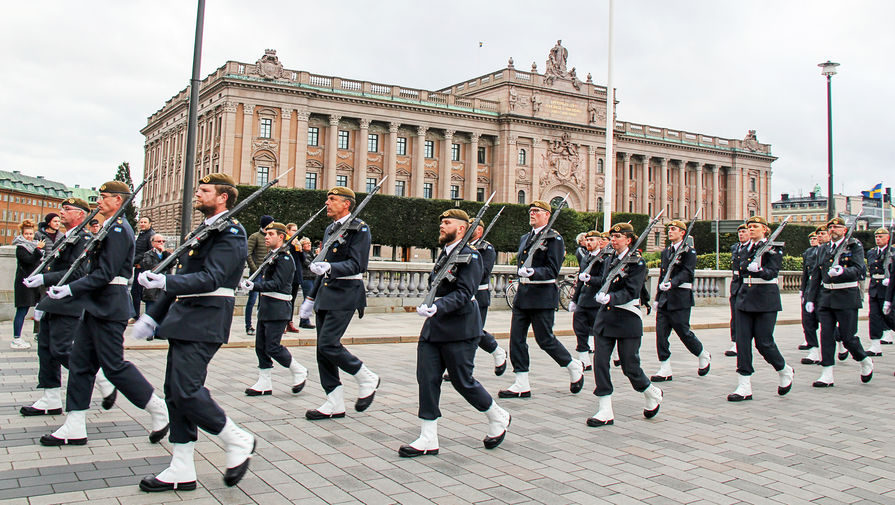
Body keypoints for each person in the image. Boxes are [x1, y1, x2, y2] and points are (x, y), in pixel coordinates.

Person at [135, 173, 255, 492]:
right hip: (186, 317)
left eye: (204, 191)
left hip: (207, 317)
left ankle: (236, 439)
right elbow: (185, 275)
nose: (197, 194)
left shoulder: (231, 231)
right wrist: (153, 316)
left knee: (187, 389)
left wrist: (165, 282)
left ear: (223, 197)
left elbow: (212, 277)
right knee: (175, 393)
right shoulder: (204, 229)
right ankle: (182, 467)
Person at [38, 182, 168, 448]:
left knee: (113, 365)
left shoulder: (120, 229)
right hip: (96, 304)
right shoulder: (109, 226)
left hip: (110, 305)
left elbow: (106, 273)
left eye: (104, 197)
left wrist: (70, 288)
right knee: (80, 364)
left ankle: (158, 408)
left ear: (118, 200)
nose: (99, 200)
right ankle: (74, 425)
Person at [400, 209, 511, 457]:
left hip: (460, 327)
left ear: (461, 229)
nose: (442, 225)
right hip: (434, 327)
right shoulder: (444, 254)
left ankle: (497, 416)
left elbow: (464, 293)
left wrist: (437, 306)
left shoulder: (470, 256)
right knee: (427, 379)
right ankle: (428, 437)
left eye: (447, 222)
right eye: (441, 221)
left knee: (463, 381)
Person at [21, 198, 118, 416]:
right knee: (45, 349)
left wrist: (44, 278)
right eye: (62, 209)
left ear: (81, 215)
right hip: (55, 300)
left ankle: (102, 378)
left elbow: (78, 272)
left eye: (67, 210)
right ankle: (50, 397)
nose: (61, 213)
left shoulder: (84, 239)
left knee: (62, 349)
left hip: (71, 301)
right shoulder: (67, 237)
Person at [301, 186, 380, 420]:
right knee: (321, 351)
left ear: (346, 204)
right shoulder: (330, 229)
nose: (327, 203)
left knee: (328, 344)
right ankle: (334, 401)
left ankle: (366, 376)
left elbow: (358, 264)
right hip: (326, 292)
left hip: (346, 292)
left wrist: (331, 267)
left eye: (333, 199)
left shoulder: (359, 228)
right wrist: (310, 298)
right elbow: (321, 266)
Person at [499, 200, 584, 399]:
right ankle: (521, 382)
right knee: (516, 339)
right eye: (531, 211)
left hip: (542, 294)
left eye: (537, 211)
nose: (532, 213)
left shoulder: (554, 239)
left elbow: (553, 269)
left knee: (545, 339)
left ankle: (573, 366)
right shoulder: (525, 238)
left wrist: (533, 272)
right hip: (523, 295)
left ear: (547, 215)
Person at [586, 222, 663, 426]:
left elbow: (631, 290)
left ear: (628, 240)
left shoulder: (637, 263)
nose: (613, 240)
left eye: (618, 237)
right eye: (612, 236)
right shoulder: (610, 258)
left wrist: (611, 298)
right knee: (600, 362)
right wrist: (593, 284)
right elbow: (604, 280)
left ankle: (650, 391)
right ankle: (605, 409)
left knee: (630, 366)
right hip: (606, 318)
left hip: (627, 317)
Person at [726, 216, 794, 401]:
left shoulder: (774, 248)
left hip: (765, 298)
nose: (751, 229)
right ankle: (744, 384)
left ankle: (784, 369)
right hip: (744, 298)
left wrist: (760, 271)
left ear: (765, 230)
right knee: (742, 341)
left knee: (764, 343)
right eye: (749, 227)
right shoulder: (745, 249)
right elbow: (740, 272)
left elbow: (773, 272)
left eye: (755, 226)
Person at [240, 221, 308, 396]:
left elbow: (277, 284)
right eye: (266, 233)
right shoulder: (272, 256)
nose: (266, 237)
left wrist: (255, 287)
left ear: (281, 237)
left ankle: (298, 370)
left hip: (278, 307)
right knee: (260, 347)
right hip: (267, 306)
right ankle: (264, 382)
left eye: (271, 234)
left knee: (272, 346)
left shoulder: (285, 258)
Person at [804, 216, 873, 387]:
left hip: (847, 296)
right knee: (826, 335)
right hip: (826, 296)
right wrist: (810, 298)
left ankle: (864, 360)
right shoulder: (824, 248)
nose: (833, 230)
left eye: (836, 227)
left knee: (847, 337)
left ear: (844, 230)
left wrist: (842, 271)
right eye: (831, 228)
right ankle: (827, 373)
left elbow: (859, 270)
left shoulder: (853, 246)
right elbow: (816, 274)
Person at [444, 219, 508, 381]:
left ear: (479, 231)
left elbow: (483, 272)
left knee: (474, 332)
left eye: (471, 228)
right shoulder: (461, 247)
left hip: (478, 295)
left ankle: (496, 351)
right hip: (462, 294)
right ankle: (458, 368)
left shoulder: (486, 249)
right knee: (460, 331)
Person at [651, 220, 710, 381]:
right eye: (669, 229)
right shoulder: (666, 252)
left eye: (674, 229)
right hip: (665, 299)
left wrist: (673, 283)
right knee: (661, 334)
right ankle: (665, 367)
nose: (670, 231)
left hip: (680, 298)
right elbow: (663, 276)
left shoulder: (688, 252)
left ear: (682, 232)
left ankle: (702, 353)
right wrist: (657, 297)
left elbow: (687, 273)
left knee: (684, 332)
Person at [569, 230, 605, 370]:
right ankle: (584, 359)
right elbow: (580, 281)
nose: (588, 243)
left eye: (592, 240)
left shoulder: (604, 259)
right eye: (587, 240)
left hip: (596, 301)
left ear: (599, 242)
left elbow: (604, 279)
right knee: (579, 329)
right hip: (583, 300)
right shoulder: (586, 258)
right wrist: (575, 299)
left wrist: (591, 279)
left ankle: (601, 359)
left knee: (598, 332)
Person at [12, 219, 43, 349]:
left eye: (31, 234)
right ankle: (16, 338)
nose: (29, 236)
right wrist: (38, 250)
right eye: (27, 234)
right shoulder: (21, 247)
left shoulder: (33, 245)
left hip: (34, 282)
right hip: (24, 283)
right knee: (22, 310)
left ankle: (38, 334)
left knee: (38, 308)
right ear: (22, 234)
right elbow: (29, 261)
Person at [864, 228, 894, 356]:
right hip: (875, 287)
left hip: (888, 288)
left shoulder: (892, 252)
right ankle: (875, 345)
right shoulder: (871, 253)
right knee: (874, 316)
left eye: (881, 236)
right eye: (876, 237)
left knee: (890, 316)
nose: (878, 239)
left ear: (888, 238)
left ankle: (888, 334)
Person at [244, 215, 273, 335]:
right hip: (257, 272)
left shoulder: (271, 236)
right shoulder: (254, 237)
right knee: (252, 300)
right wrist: (254, 268)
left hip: (267, 272)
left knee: (264, 301)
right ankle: (248, 325)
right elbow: (248, 253)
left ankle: (261, 325)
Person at [139, 234, 172, 339]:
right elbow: (150, 266)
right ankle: (149, 332)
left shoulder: (166, 254)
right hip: (152, 286)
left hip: (163, 285)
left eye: (163, 241)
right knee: (150, 309)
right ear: (153, 243)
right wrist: (163, 262)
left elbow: (173, 263)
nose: (161, 243)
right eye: (158, 241)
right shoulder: (148, 254)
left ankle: (160, 332)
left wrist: (166, 253)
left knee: (163, 309)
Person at [725, 224, 750, 357]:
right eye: (740, 232)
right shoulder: (735, 248)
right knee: (735, 315)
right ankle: (735, 341)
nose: (741, 234)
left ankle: (744, 341)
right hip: (736, 285)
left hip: (747, 285)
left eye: (744, 232)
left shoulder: (753, 249)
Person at [800, 229, 822, 364]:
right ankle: (813, 349)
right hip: (810, 288)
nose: (815, 239)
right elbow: (805, 273)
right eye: (813, 238)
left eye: (818, 236)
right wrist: (802, 290)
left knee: (828, 322)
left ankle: (841, 343)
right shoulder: (808, 253)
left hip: (823, 289)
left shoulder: (828, 251)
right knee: (808, 320)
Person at [131, 216, 155, 320]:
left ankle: (137, 316)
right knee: (136, 292)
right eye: (141, 222)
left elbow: (149, 253)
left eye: (145, 222)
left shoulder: (150, 235)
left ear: (150, 224)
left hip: (143, 268)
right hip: (138, 266)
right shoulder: (142, 234)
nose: (142, 224)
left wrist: (139, 262)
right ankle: (136, 315)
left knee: (140, 292)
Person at [284, 222, 303, 334]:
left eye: (296, 230)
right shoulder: (286, 242)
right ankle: (283, 321)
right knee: (286, 299)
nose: (295, 232)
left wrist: (300, 249)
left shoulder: (297, 243)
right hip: (288, 275)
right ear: (288, 231)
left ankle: (289, 321)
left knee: (293, 299)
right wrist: (292, 244)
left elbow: (302, 259)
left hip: (296, 274)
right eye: (293, 230)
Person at [297, 237, 315, 329]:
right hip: (306, 277)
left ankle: (304, 319)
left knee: (310, 298)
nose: (309, 245)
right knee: (308, 298)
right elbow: (309, 264)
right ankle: (304, 320)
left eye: (309, 243)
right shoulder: (303, 254)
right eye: (306, 243)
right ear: (302, 246)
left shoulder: (310, 253)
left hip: (312, 277)